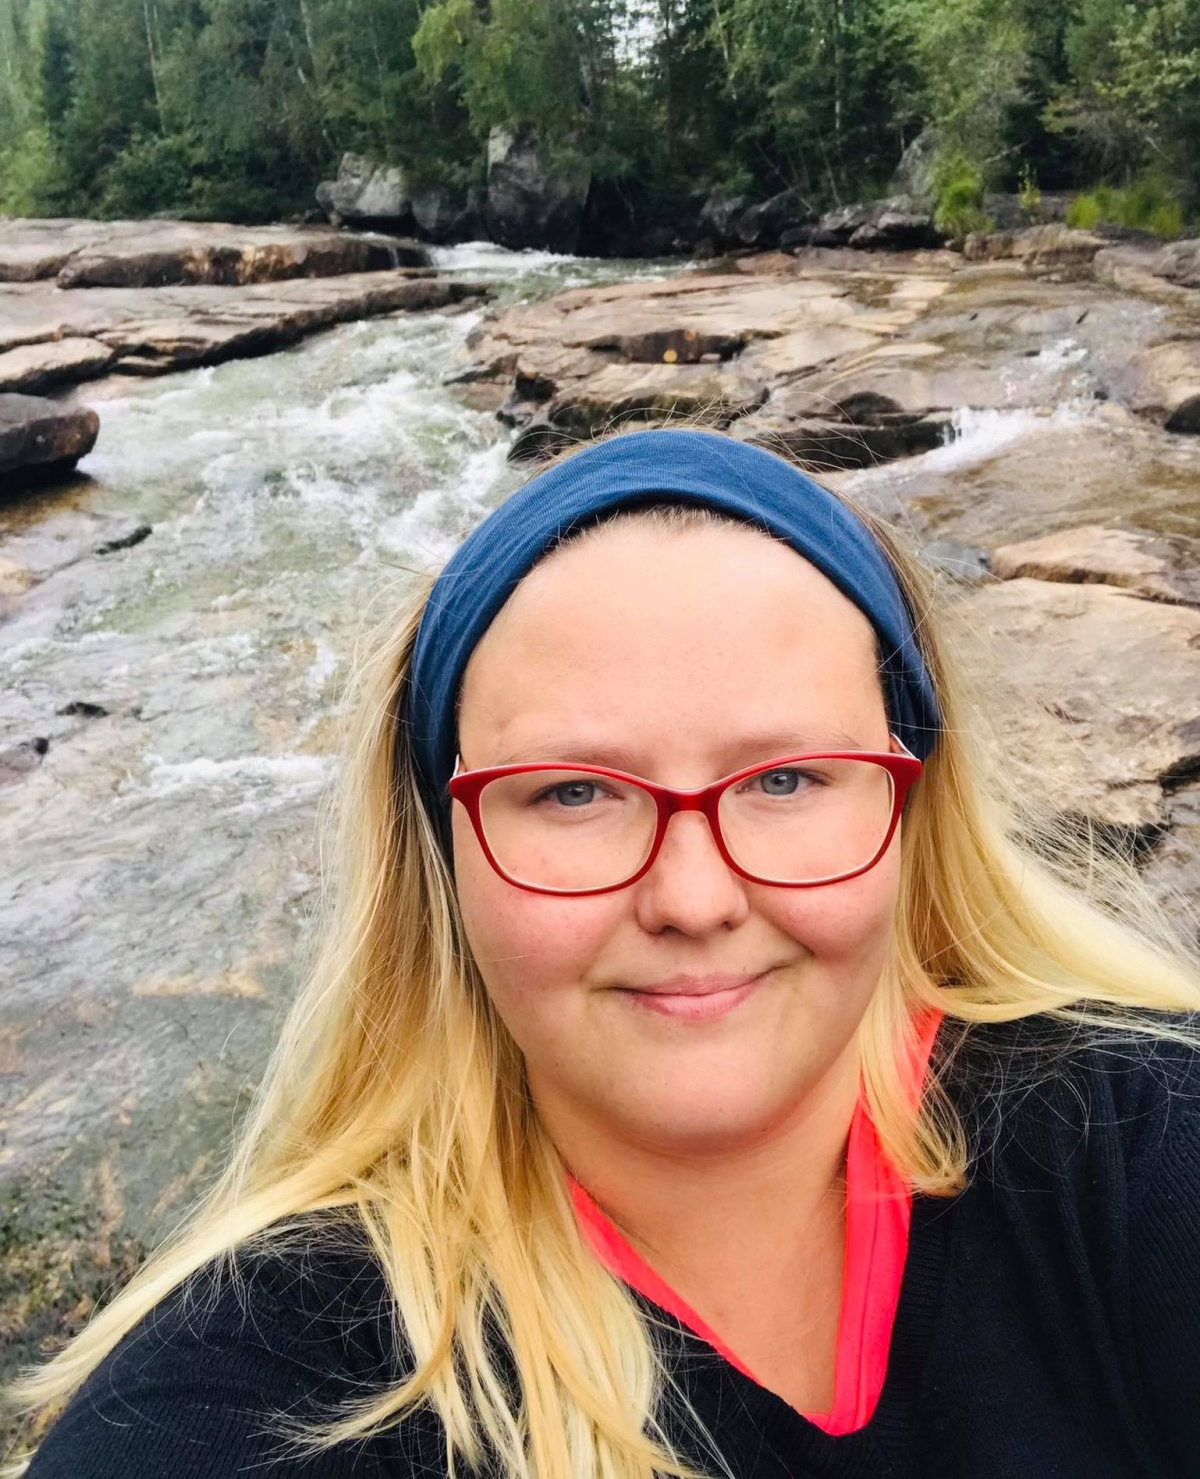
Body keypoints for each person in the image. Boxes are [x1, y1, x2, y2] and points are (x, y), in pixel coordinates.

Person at [7, 425, 1200, 1479]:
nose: (694, 897)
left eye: (787, 778)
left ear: (910, 807)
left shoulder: (1138, 1139)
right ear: (444, 857)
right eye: (574, 791)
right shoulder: (275, 1372)